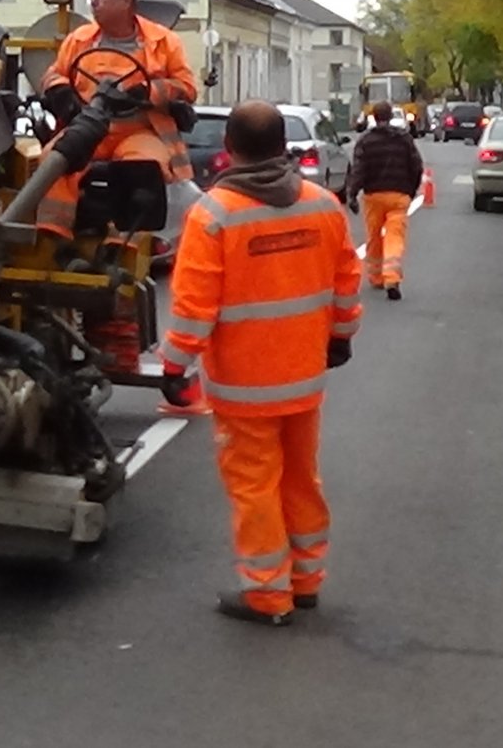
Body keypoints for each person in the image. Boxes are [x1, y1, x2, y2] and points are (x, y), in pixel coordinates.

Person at [160, 100, 362, 627]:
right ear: (282, 147)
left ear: (229, 148)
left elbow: (194, 305)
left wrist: (174, 366)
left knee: (255, 487)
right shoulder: (322, 206)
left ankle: (269, 594)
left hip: (243, 387)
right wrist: (341, 336)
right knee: (300, 479)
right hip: (304, 377)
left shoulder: (214, 215)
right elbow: (346, 281)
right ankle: (306, 581)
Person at [36, 0, 198, 239]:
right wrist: (60, 90)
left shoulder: (164, 42)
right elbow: (54, 73)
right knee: (55, 159)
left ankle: (126, 240)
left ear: (126, 1)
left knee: (145, 166)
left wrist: (148, 91)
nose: (93, 2)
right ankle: (53, 231)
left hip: (140, 131)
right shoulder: (79, 40)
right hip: (89, 127)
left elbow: (186, 87)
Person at [344, 101, 424, 300]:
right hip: (399, 195)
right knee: (394, 236)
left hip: (374, 196)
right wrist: (411, 191)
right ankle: (392, 277)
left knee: (374, 236)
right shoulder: (404, 139)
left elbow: (359, 170)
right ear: (390, 116)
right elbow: (416, 166)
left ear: (373, 116)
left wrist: (352, 194)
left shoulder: (365, 141)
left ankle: (375, 276)